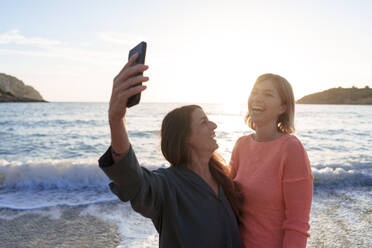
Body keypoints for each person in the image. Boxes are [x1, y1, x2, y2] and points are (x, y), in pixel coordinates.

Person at [98, 53, 243, 248]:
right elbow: (133, 182)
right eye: (204, 122)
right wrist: (116, 120)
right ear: (185, 138)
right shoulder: (167, 186)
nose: (214, 125)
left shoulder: (226, 179)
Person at [230, 73, 313, 248]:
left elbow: (297, 224)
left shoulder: (291, 149)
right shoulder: (241, 145)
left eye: (268, 94)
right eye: (255, 92)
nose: (257, 98)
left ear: (282, 107)